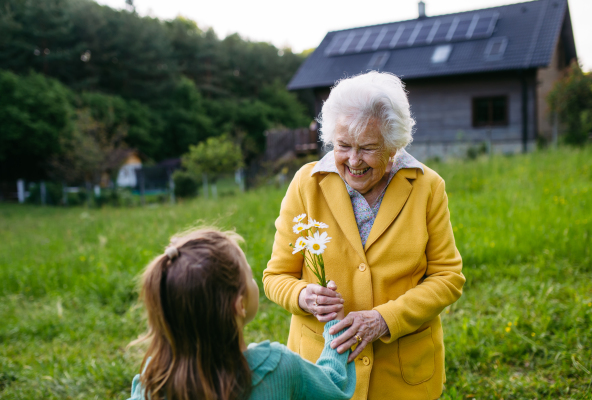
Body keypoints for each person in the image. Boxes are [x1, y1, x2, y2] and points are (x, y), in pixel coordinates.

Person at [263, 71, 465, 399]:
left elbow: (448, 277)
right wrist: (304, 296)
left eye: (368, 149)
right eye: (344, 146)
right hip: (322, 374)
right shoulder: (306, 184)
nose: (354, 161)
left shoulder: (427, 187)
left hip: (402, 376)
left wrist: (383, 320)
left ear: (393, 145)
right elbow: (276, 276)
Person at [127, 228, 356, 400]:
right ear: (240, 305)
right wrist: (337, 328)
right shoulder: (278, 368)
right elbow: (333, 386)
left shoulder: (153, 381)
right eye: (250, 276)